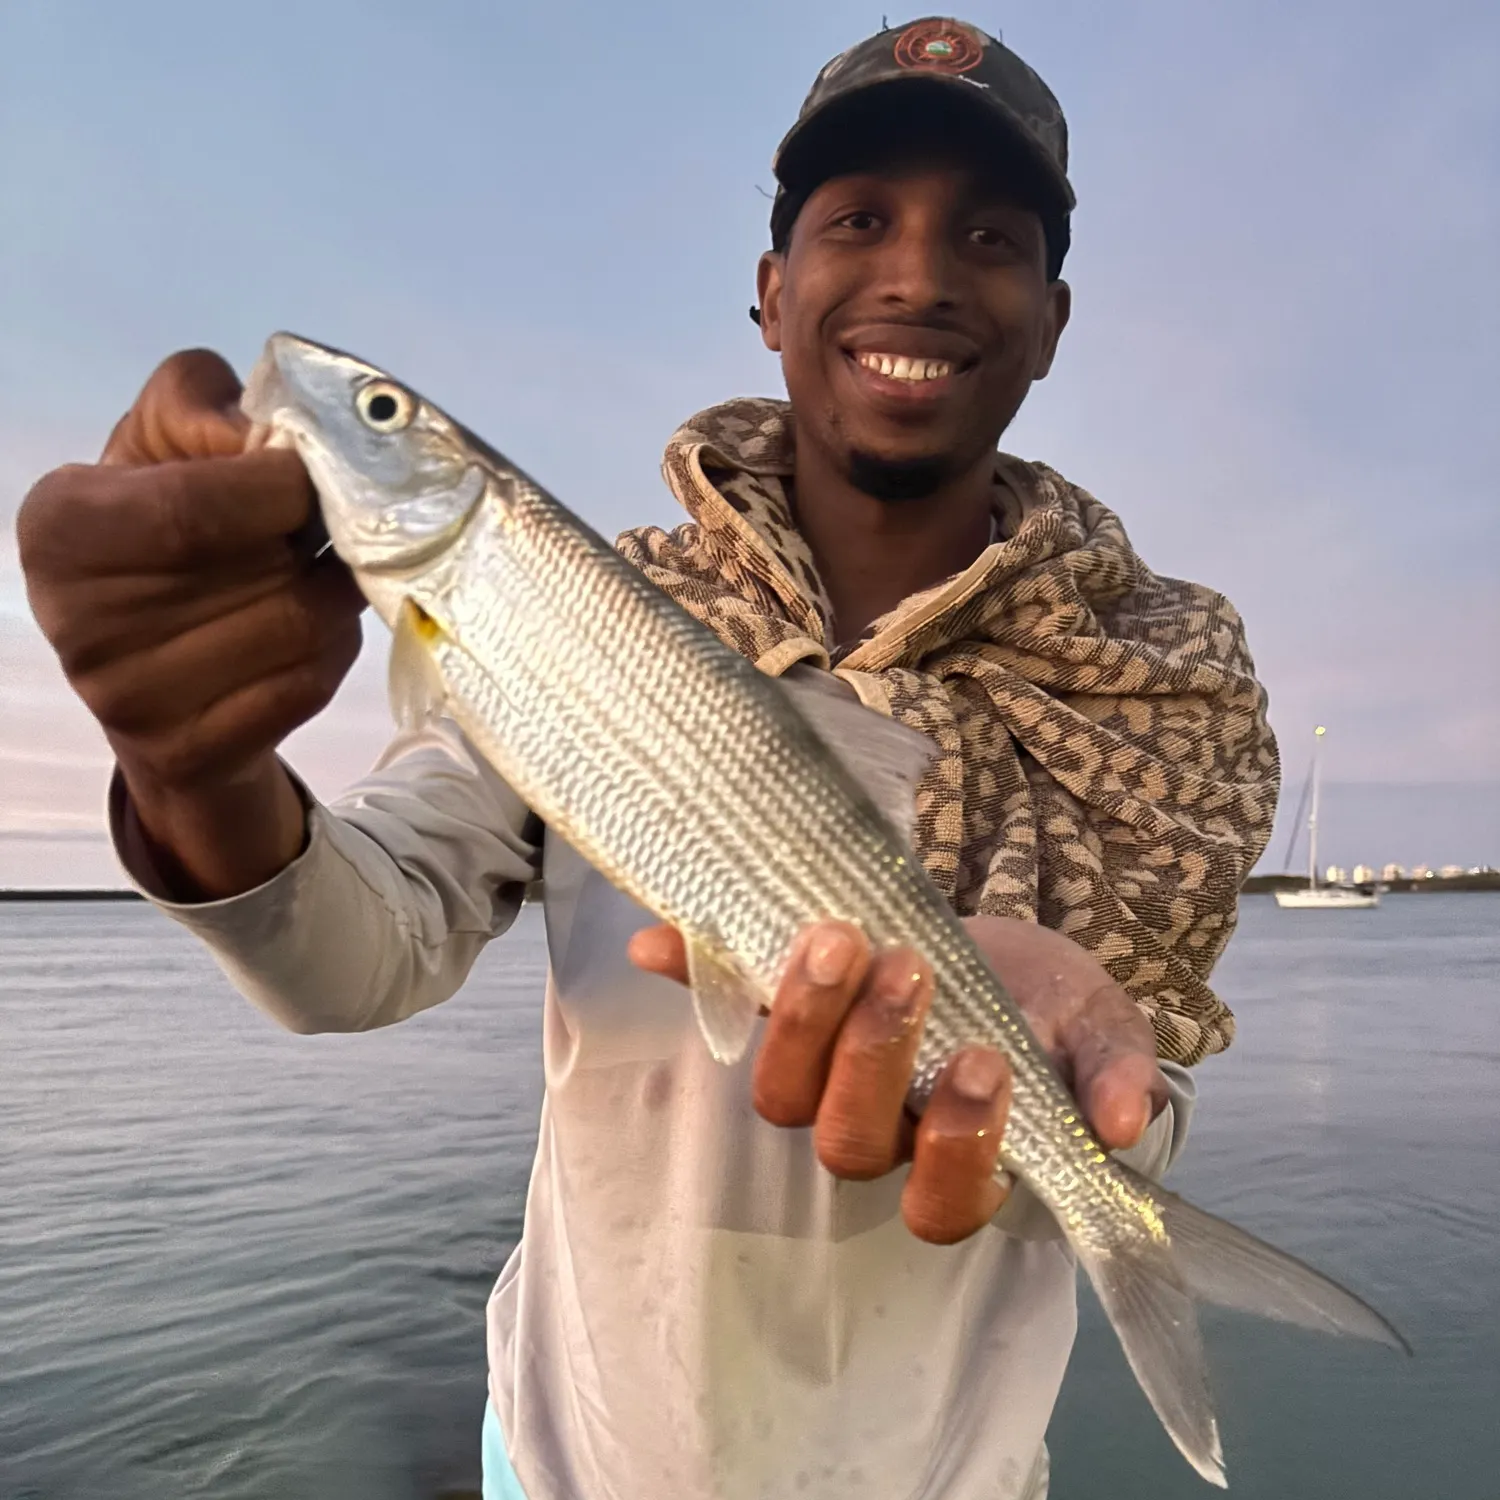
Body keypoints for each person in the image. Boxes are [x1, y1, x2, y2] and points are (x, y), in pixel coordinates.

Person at [17, 17, 1279, 1500]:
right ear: (771, 291)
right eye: (859, 220)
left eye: (989, 237)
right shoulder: (603, 609)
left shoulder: (1163, 684)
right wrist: (192, 775)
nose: (921, 275)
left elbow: (1144, 1101)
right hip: (563, 1463)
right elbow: (356, 952)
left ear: (1054, 318)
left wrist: (1068, 1103)